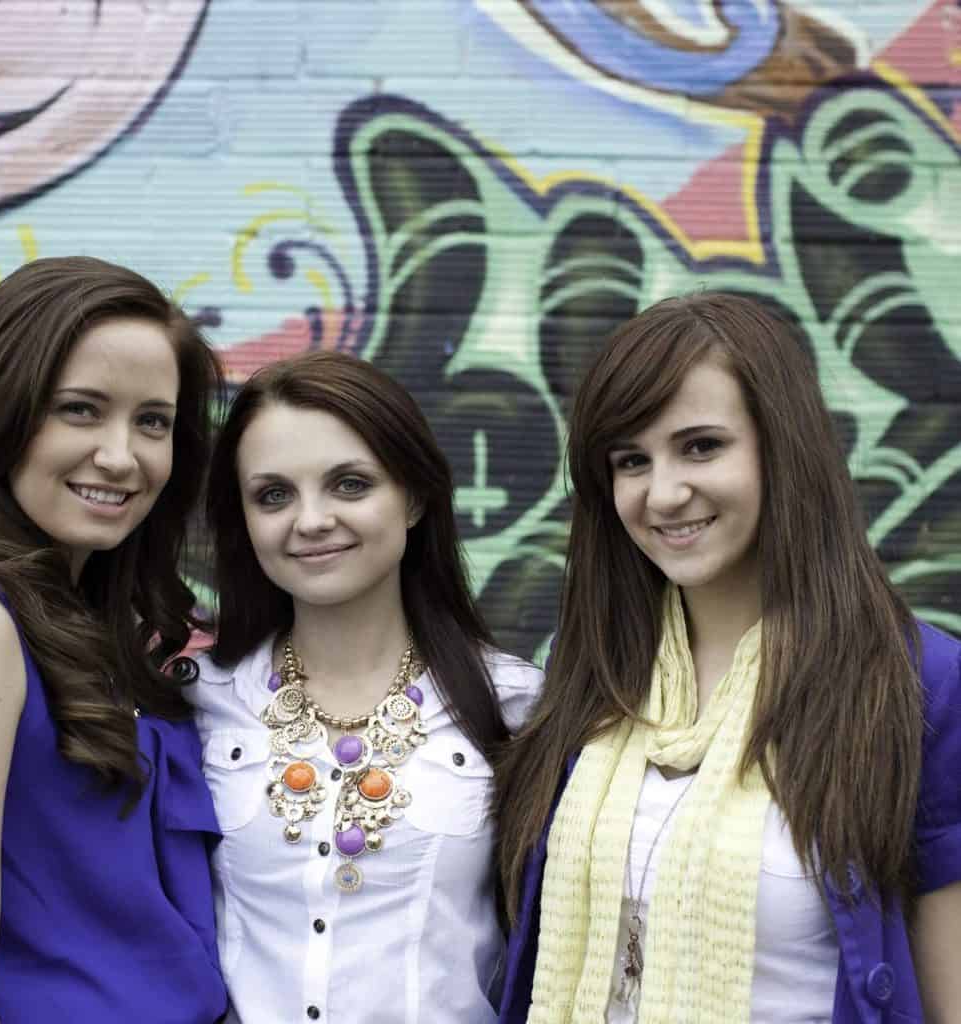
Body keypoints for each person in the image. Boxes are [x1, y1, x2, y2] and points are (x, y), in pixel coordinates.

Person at [494, 292, 961, 1023]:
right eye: (631, 460)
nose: (664, 493)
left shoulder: (914, 686)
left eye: (701, 446)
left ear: (782, 448)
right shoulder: (595, 680)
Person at [0, 256, 228, 1024]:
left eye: (153, 421)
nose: (121, 456)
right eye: (80, 410)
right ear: (2, 414)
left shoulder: (106, 632)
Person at [184, 350, 542, 1023]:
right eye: (273, 495)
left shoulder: (517, 708)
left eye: (349, 484)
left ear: (413, 497)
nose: (311, 520)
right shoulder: (198, 703)